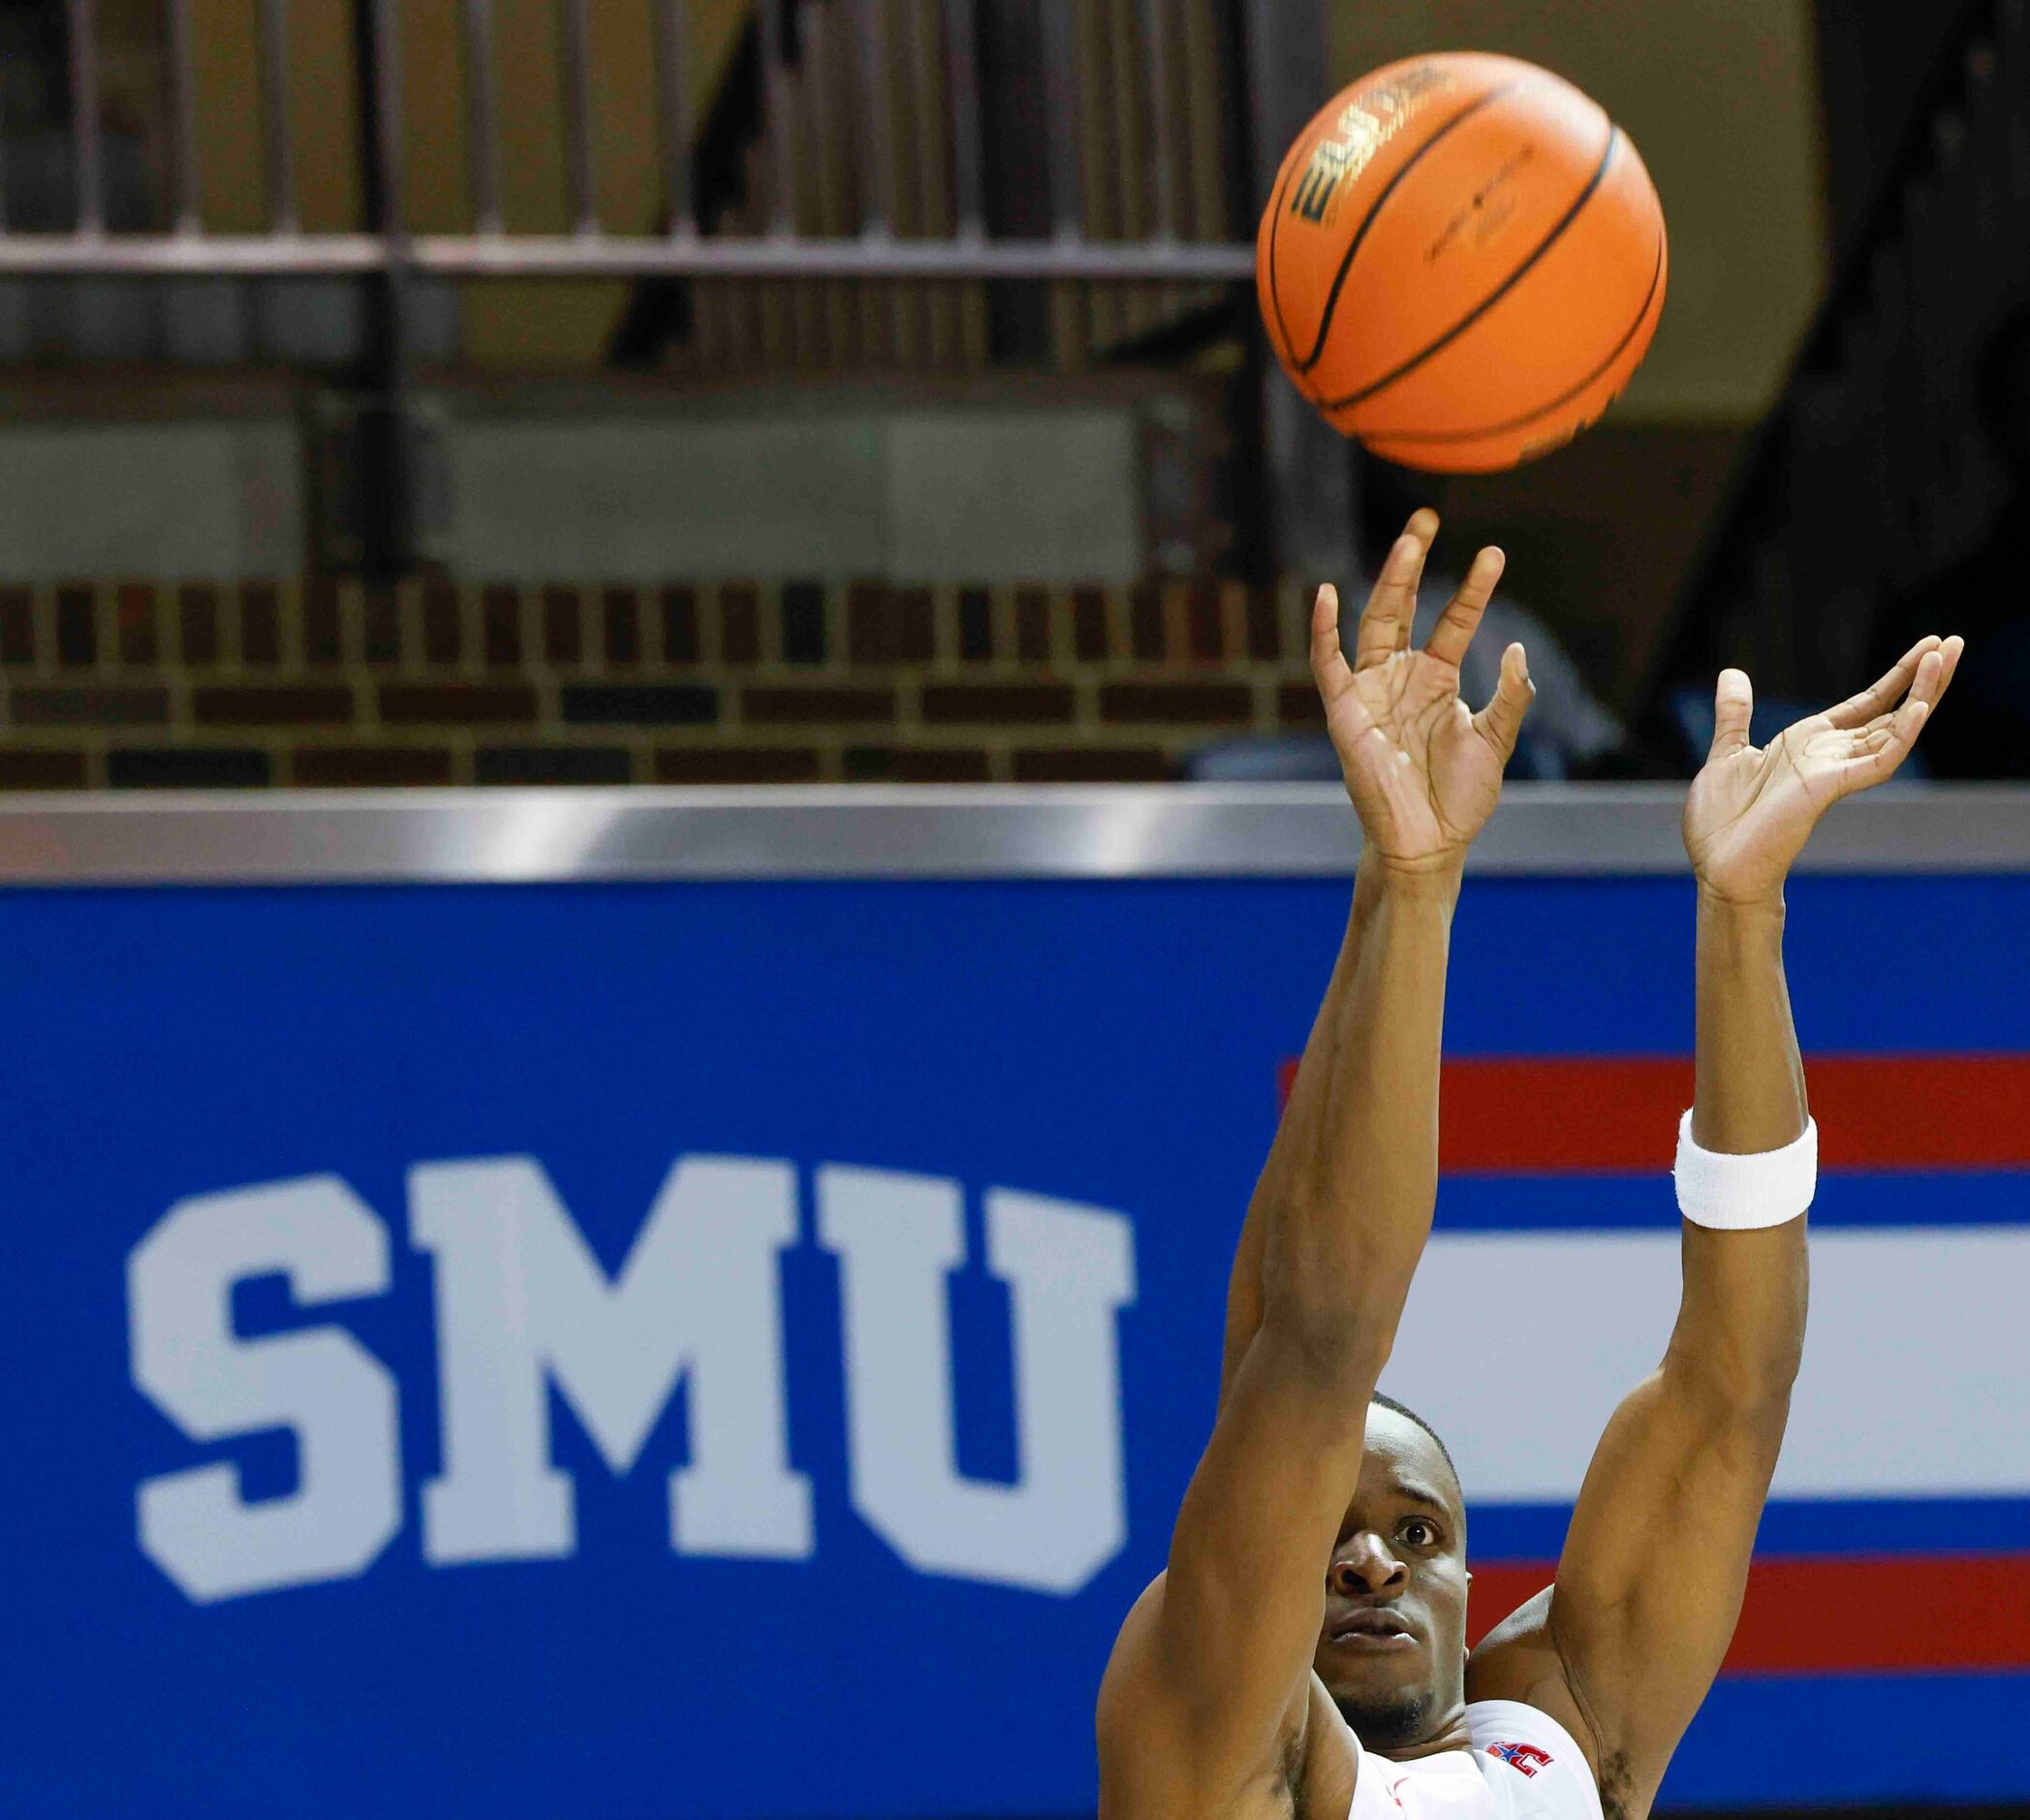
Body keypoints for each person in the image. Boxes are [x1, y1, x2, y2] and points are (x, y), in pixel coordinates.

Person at [1097, 509, 1960, 1820]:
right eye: (1337, 1530)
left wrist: (1743, 915)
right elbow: (1317, 1328)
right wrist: (1410, 879)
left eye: (1420, 1535)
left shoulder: (1557, 1732)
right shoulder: (1210, 1745)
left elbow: (1734, 1387)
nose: (1375, 1562)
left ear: (1468, 1590)